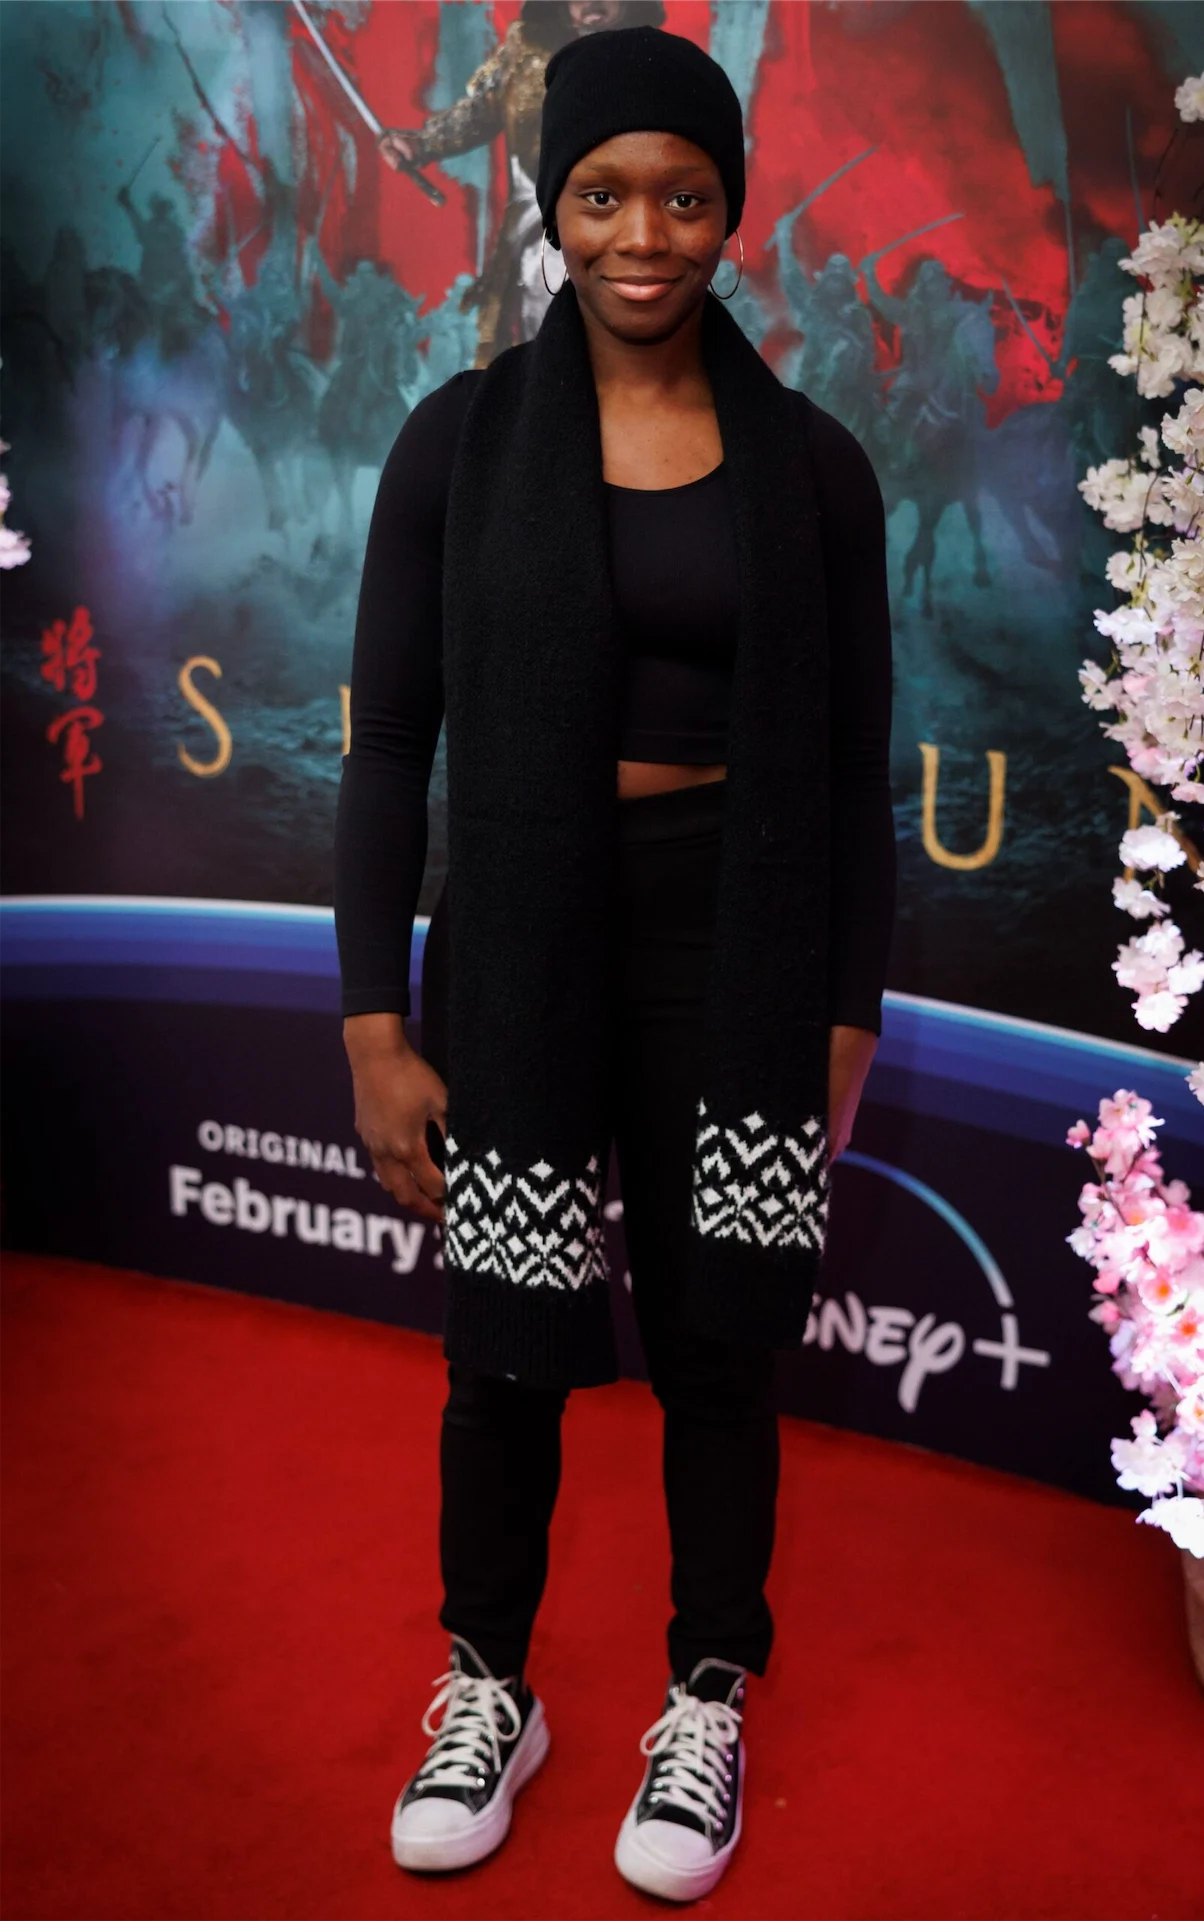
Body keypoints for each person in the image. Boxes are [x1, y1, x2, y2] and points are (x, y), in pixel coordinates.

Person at [333, 25, 894, 1903]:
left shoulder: (813, 470)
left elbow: (853, 777)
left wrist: (843, 1013)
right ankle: (488, 1685)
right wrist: (374, 1025)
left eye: (681, 195)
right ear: (549, 205)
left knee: (720, 1349)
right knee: (500, 1356)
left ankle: (705, 1697)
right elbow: (386, 746)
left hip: (735, 950)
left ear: (728, 212)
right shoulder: (458, 440)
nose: (641, 235)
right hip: (519, 940)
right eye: (600, 194)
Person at [377, 0, 663, 366]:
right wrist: (421, 144)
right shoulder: (524, 49)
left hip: (629, 236)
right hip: (542, 236)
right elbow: (482, 109)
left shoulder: (659, 61)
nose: (590, 3)